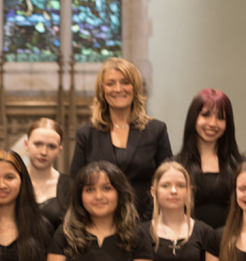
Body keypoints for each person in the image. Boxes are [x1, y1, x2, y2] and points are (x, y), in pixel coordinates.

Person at [70, 58, 172, 221]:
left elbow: (167, 180)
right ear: (102, 90)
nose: (118, 89)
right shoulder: (87, 134)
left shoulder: (156, 130)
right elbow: (75, 184)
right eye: (110, 83)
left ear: (135, 88)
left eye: (125, 82)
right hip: (99, 222)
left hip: (147, 221)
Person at [175, 89, 242, 229]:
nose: (213, 123)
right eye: (206, 115)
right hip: (188, 246)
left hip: (228, 245)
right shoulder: (175, 166)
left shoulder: (240, 165)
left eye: (220, 118)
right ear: (193, 118)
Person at [24, 117, 70, 230]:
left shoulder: (70, 187)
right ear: (26, 145)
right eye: (38, 144)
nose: (43, 152)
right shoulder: (13, 183)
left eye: (51, 146)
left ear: (59, 151)